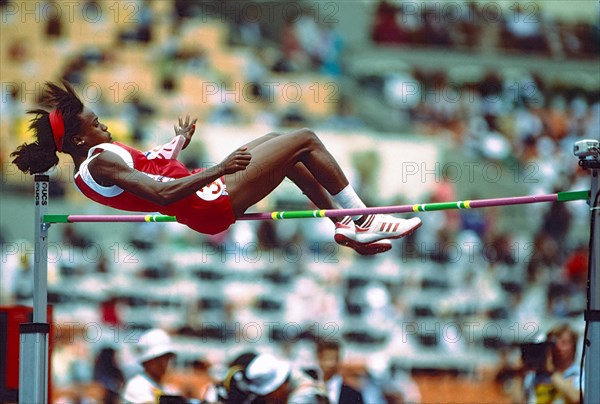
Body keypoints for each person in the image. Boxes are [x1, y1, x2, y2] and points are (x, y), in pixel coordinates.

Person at [11, 81, 421, 256]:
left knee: (283, 143)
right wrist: (219, 168)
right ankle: (363, 217)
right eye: (94, 123)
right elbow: (161, 194)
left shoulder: (96, 163)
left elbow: (152, 169)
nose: (103, 124)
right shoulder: (101, 163)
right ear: (79, 139)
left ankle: (343, 224)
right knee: (305, 138)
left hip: (203, 197)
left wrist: (177, 143)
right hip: (207, 201)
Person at [511, 323, 583, 403]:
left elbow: (577, 398)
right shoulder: (534, 377)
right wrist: (519, 375)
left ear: (574, 346)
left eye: (564, 343)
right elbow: (517, 402)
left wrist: (551, 372)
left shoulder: (579, 374)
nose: (558, 347)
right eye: (554, 343)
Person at [122, 328, 180, 403]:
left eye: (166, 358)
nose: (163, 363)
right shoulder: (137, 385)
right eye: (158, 359)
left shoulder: (168, 390)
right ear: (146, 361)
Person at [316, 339, 364, 404]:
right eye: (326, 359)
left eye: (334, 359)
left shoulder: (353, 394)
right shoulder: (309, 391)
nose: (331, 364)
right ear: (319, 359)